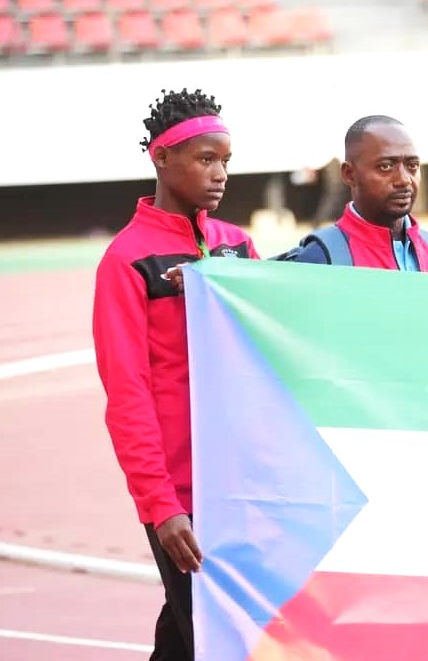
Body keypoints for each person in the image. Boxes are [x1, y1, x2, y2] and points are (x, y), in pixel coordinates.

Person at [91, 88, 260, 661]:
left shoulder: (238, 246)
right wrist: (161, 505)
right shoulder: (126, 260)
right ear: (161, 159)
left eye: (226, 161)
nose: (220, 175)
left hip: (242, 484)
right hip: (182, 495)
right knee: (218, 638)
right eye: (205, 159)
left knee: (196, 633)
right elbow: (127, 395)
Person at [276, 115, 428, 274]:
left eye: (412, 166)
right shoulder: (321, 258)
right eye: (385, 166)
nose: (404, 179)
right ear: (349, 174)